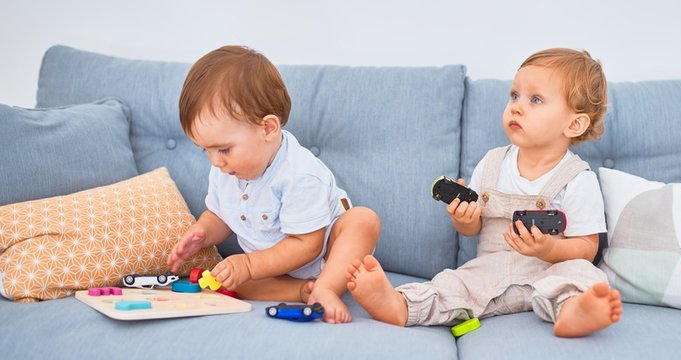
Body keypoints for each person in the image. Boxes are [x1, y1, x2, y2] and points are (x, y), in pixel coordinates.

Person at [346, 48, 622, 337]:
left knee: (584, 275)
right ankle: (400, 304)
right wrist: (464, 220)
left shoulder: (577, 179)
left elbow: (587, 247)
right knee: (454, 285)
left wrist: (549, 249)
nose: (516, 107)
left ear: (574, 124)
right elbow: (472, 228)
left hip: (550, 271)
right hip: (491, 270)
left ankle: (574, 311)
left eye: (535, 99)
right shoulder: (492, 164)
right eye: (514, 96)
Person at [166, 45, 380, 324]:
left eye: (223, 149)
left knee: (363, 220)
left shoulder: (300, 174)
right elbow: (222, 216)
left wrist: (250, 265)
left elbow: (308, 245)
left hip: (326, 254)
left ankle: (326, 287)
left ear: (267, 128)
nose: (215, 162)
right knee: (229, 280)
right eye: (204, 150)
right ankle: (303, 292)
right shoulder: (224, 170)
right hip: (274, 270)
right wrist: (202, 233)